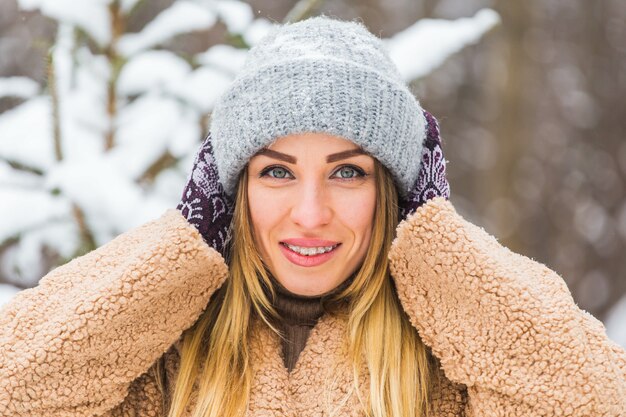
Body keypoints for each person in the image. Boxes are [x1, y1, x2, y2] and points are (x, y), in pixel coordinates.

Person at [1, 16, 624, 417]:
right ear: (230, 192)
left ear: (396, 192)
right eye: (276, 171)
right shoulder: (167, 356)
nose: (310, 212)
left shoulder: (453, 362)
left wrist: (436, 243)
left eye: (348, 172)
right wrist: (183, 243)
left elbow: (595, 398)